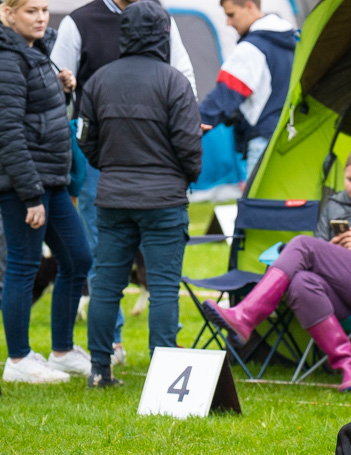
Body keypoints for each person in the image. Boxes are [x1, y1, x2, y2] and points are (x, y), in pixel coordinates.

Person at [203, 144, 351, 393]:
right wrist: (333, 249)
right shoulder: (334, 204)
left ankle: (247, 315)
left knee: (302, 244)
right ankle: (349, 366)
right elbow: (317, 253)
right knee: (301, 282)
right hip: (343, 290)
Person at [51, 0, 197, 367]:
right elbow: (190, 144)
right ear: (163, 33)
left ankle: (100, 368)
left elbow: (85, 137)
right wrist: (183, 177)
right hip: (164, 200)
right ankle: (163, 368)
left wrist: (109, 166)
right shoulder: (175, 82)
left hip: (112, 195)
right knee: (163, 287)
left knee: (105, 285)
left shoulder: (98, 81)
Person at [0, 0, 92, 383]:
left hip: (51, 180)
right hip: (25, 186)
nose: (40, 18)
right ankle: (18, 360)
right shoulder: (7, 59)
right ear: (8, 13)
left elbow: (39, 114)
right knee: (23, 265)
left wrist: (63, 89)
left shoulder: (38, 52)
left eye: (43, 10)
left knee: (78, 258)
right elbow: (8, 133)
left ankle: (62, 351)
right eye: (30, 11)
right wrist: (31, 195)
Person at [198, 0, 297, 177]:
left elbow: (223, 97)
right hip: (292, 139)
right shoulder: (292, 41)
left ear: (250, 6)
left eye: (231, 15)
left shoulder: (251, 48)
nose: (228, 23)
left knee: (256, 205)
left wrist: (190, 126)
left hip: (263, 143)